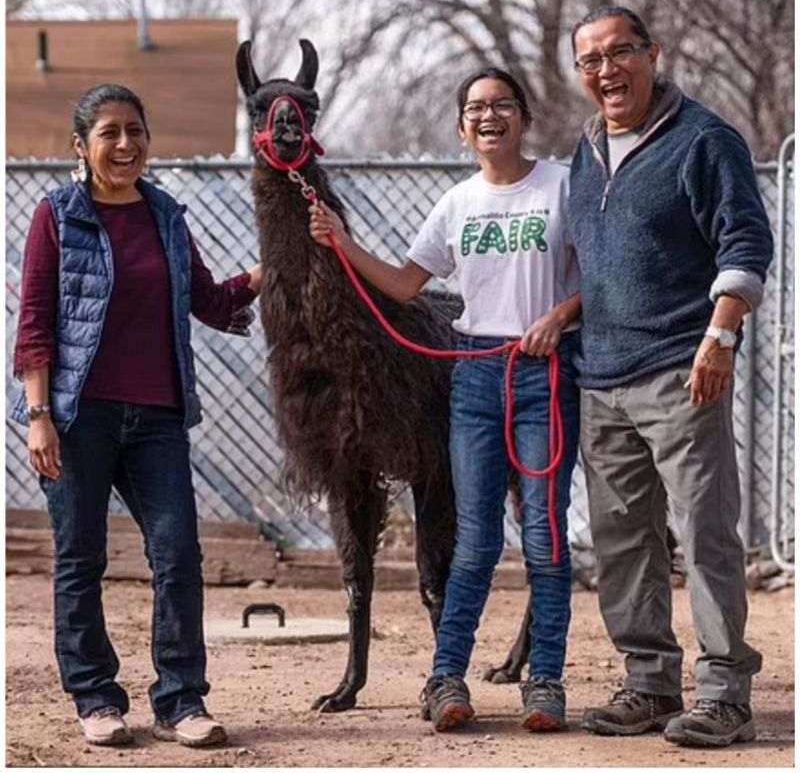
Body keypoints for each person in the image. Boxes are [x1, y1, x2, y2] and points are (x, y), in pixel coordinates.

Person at [308, 68, 581, 732]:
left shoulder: (564, 187)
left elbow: (603, 275)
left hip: (543, 375)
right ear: (463, 127)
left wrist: (562, 315)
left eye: (503, 105)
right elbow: (404, 285)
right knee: (475, 541)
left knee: (544, 539)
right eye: (477, 108)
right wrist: (343, 244)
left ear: (524, 117)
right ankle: (446, 678)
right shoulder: (456, 203)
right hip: (476, 376)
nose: (490, 116)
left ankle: (544, 681)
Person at [12, 84, 263, 748]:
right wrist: (39, 415)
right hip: (77, 416)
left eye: (135, 131)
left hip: (157, 420)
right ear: (81, 146)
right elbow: (35, 323)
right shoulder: (58, 216)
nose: (125, 145)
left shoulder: (167, 215)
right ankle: (95, 697)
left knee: (178, 552)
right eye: (110, 133)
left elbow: (208, 300)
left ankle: (181, 701)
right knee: (81, 557)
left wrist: (277, 267)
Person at [567, 6, 772, 748]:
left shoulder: (704, 139)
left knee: (705, 533)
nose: (606, 70)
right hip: (601, 375)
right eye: (591, 60)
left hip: (684, 371)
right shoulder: (585, 150)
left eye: (621, 53)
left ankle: (725, 695)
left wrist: (720, 336)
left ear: (653, 54)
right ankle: (649, 682)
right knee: (621, 541)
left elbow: (746, 242)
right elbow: (593, 267)